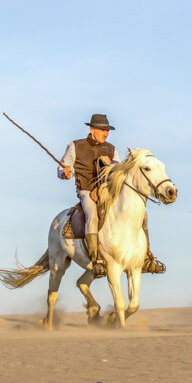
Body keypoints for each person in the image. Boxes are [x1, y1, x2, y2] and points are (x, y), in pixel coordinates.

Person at [58, 114, 165, 276]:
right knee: (92, 214)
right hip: (86, 190)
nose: (106, 133)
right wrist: (65, 173)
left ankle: (146, 258)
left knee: (142, 215)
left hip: (107, 190)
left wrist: (112, 165)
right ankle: (96, 260)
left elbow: (118, 172)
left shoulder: (111, 149)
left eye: (107, 130)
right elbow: (62, 168)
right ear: (92, 129)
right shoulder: (75, 146)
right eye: (102, 130)